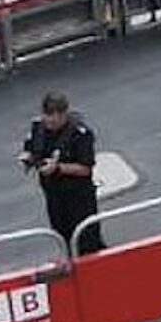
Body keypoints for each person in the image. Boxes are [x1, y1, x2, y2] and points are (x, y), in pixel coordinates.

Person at [18, 91, 105, 255]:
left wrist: (58, 168)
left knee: (88, 240)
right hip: (54, 195)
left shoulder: (80, 134)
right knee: (63, 237)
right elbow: (31, 150)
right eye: (48, 115)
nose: (52, 120)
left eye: (57, 116)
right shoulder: (38, 128)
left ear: (65, 114)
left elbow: (85, 168)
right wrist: (28, 158)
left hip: (79, 197)